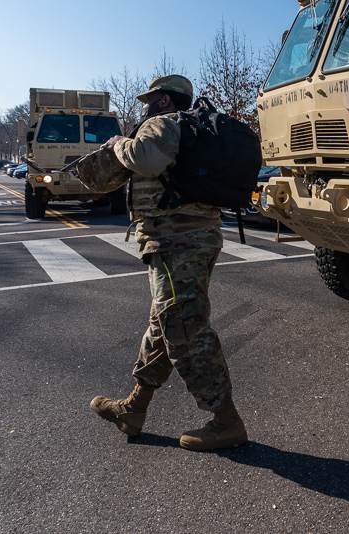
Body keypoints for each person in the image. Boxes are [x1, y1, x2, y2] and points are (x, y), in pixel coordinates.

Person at [83, 74, 247, 451]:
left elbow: (146, 158)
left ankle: (226, 421)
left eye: (149, 99)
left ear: (163, 100)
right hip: (193, 238)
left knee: (184, 328)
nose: (145, 106)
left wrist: (120, 143)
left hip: (176, 241)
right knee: (163, 327)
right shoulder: (191, 130)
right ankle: (133, 409)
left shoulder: (162, 124)